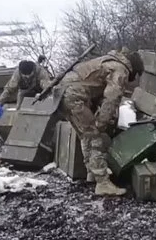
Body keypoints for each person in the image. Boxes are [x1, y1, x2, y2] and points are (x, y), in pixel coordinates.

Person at [56, 48, 144, 196]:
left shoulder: (107, 60)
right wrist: (102, 123)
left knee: (86, 136)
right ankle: (102, 183)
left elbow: (93, 85)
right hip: (75, 96)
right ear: (133, 69)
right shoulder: (120, 69)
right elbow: (112, 98)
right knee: (95, 136)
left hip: (63, 94)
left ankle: (92, 173)